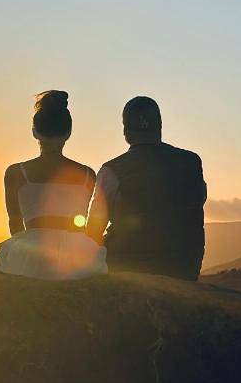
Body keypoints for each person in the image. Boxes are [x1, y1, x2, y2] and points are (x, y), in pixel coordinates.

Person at [87, 96, 206, 280]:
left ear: (125, 131)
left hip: (126, 270)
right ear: (160, 126)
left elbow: (93, 232)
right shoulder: (191, 162)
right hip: (184, 269)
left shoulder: (112, 170)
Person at [0, 91, 107, 279]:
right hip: (76, 253)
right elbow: (81, 222)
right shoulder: (87, 174)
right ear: (68, 133)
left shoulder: (15, 173)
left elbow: (15, 223)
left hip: (31, 251)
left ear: (34, 131)